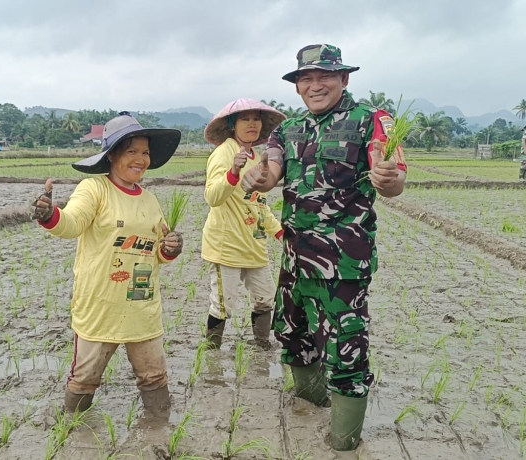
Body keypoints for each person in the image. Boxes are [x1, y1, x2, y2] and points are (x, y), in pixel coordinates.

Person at [241, 44, 407, 451]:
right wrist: (256, 179)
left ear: (344, 78)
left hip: (344, 263)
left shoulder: (370, 121)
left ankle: (344, 438)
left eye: (324, 76)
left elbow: (392, 176)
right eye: (306, 78)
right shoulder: (288, 129)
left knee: (347, 346)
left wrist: (388, 178)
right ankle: (309, 405)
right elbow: (271, 172)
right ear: (297, 86)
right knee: (293, 333)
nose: (315, 85)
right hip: (296, 257)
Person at [31, 112, 184, 415]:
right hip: (101, 305)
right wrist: (50, 215)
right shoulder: (94, 189)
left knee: (153, 376)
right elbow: (71, 223)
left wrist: (171, 248)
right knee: (85, 379)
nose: (141, 159)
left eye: (145, 153)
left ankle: (160, 429)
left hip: (142, 305)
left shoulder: (150, 200)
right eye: (132, 151)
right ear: (111, 155)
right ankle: (72, 432)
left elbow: (158, 251)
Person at [201, 99, 286, 350]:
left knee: (265, 298)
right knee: (223, 302)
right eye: (245, 119)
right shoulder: (225, 152)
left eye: (256, 119)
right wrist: (232, 173)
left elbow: (259, 204)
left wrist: (280, 232)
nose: (252, 124)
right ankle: (212, 352)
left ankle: (262, 345)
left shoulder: (258, 157)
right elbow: (212, 197)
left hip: (254, 243)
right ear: (232, 124)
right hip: (226, 245)